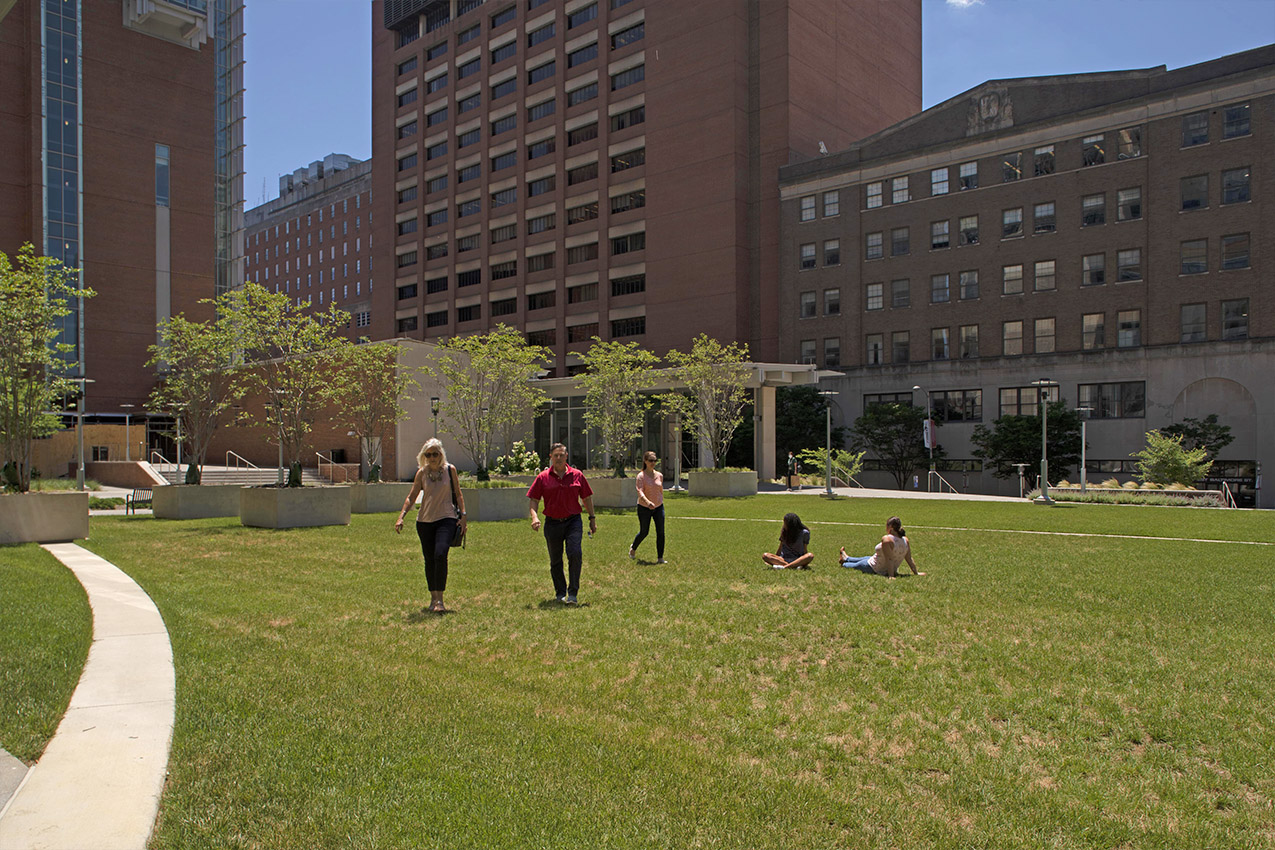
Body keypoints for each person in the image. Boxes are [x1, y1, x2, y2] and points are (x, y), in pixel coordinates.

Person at [395, 438, 467, 613]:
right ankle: (433, 599)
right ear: (424, 456)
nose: (432, 457)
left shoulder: (450, 470)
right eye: (428, 454)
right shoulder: (421, 473)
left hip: (447, 518)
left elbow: (458, 494)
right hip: (425, 522)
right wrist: (401, 516)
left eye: (435, 454)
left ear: (441, 454)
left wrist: (463, 515)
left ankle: (440, 601)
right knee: (429, 560)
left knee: (440, 554)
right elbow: (411, 497)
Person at [527, 443, 596, 604]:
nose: (558, 458)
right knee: (555, 560)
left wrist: (592, 518)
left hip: (573, 521)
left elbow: (586, 498)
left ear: (566, 456)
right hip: (552, 523)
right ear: (550, 457)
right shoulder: (543, 477)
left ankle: (573, 593)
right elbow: (534, 500)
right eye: (555, 455)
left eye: (561, 455)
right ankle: (560, 593)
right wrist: (534, 517)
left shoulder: (577, 475)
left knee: (575, 553)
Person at [839, 516, 925, 578]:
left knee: (850, 565)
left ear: (890, 527)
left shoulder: (887, 539)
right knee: (866, 558)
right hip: (875, 560)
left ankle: (844, 561)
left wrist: (891, 576)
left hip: (873, 567)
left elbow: (889, 559)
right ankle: (846, 557)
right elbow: (909, 558)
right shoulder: (905, 540)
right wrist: (915, 573)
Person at [629, 450, 666, 563]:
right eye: (650, 460)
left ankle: (660, 558)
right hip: (644, 507)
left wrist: (659, 501)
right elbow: (640, 491)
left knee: (661, 532)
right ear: (645, 461)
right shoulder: (641, 476)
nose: (653, 462)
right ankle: (633, 548)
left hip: (659, 507)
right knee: (644, 531)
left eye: (655, 460)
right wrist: (648, 502)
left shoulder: (659, 475)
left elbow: (660, 490)